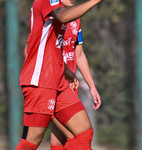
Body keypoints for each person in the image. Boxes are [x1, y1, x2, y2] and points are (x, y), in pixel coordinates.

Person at [15, 0, 103, 149]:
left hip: (58, 81)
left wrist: (67, 71)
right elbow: (62, 17)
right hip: (40, 81)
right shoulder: (47, 1)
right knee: (31, 142)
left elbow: (56, 48)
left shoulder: (66, 16)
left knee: (83, 133)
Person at [50, 0, 101, 149]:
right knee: (79, 136)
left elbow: (78, 55)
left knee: (59, 142)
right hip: (53, 86)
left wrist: (92, 86)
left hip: (70, 86)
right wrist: (65, 73)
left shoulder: (75, 19)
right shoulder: (49, 16)